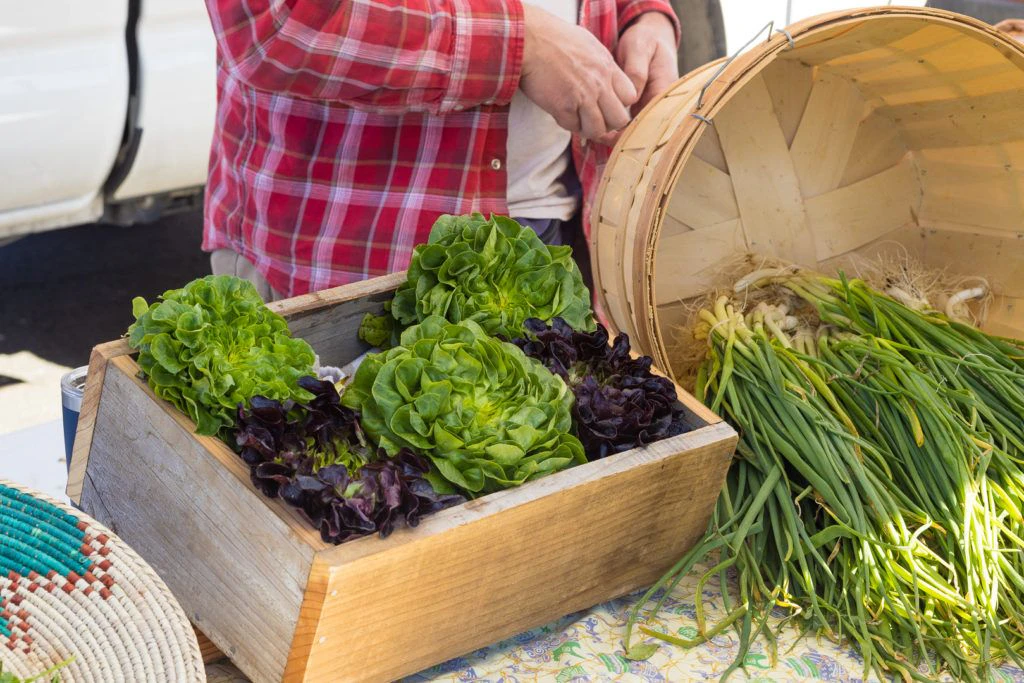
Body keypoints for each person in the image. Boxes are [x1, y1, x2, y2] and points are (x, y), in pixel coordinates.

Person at [202, 1, 680, 301]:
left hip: (559, 224)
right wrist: (522, 41)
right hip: (358, 263)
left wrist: (642, 14)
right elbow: (277, 22)